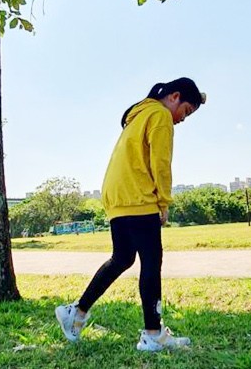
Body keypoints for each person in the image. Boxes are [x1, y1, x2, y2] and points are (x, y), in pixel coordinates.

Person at [56, 78, 206, 352]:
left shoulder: (139, 114)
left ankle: (75, 313)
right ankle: (153, 334)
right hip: (138, 196)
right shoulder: (159, 115)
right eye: (186, 111)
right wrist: (163, 201)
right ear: (174, 96)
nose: (183, 119)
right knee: (151, 262)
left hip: (117, 196)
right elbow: (160, 163)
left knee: (122, 258)